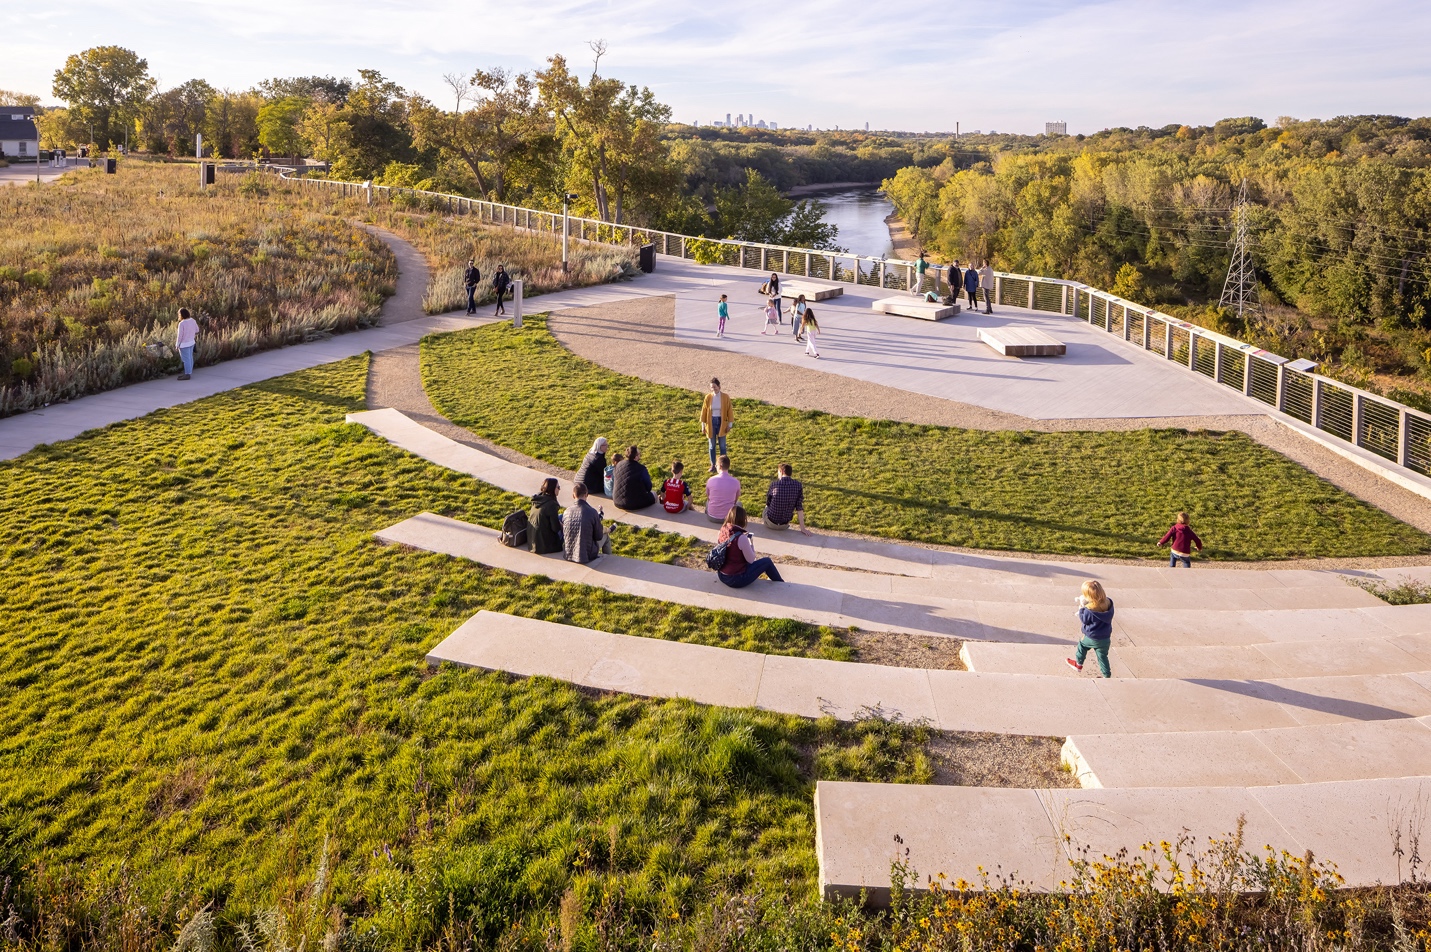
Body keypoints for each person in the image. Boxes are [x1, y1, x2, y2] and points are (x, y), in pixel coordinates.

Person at [714, 505, 784, 588]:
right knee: (767, 562)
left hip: (722, 575)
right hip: (735, 579)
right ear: (743, 520)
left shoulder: (722, 531)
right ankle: (781, 584)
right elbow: (751, 560)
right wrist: (751, 543)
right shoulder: (741, 538)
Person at [1066, 580, 1115, 678]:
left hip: (1092, 637)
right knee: (1102, 656)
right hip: (1105, 638)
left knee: (1082, 646)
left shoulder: (1089, 610)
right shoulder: (1109, 603)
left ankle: (1078, 664)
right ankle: (1106, 675)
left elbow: (1084, 620)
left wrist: (1081, 608)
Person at [563, 483, 612, 564]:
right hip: (587, 555)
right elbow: (599, 536)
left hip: (568, 553)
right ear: (587, 494)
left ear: (573, 495)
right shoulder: (592, 512)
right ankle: (609, 562)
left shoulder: (566, 512)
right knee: (605, 536)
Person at [763, 463, 811, 535]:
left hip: (770, 523)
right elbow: (799, 508)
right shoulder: (798, 485)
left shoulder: (774, 484)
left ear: (782, 471)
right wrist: (803, 529)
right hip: (784, 525)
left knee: (766, 507)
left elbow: (768, 502)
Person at [701, 378, 733, 473]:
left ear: (719, 387)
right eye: (712, 387)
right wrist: (703, 426)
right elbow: (704, 412)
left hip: (721, 422)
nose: (713, 389)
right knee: (712, 445)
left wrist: (730, 424)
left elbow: (729, 411)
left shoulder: (725, 397)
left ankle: (724, 466)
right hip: (710, 422)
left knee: (722, 446)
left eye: (715, 387)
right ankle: (713, 465)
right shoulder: (708, 397)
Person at [612, 445, 658, 511]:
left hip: (617, 500)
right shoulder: (641, 469)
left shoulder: (619, 464)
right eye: (639, 454)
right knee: (654, 494)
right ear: (636, 457)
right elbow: (649, 487)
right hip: (633, 503)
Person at [528, 477, 564, 554]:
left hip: (532, 542)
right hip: (544, 546)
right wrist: (562, 526)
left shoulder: (538, 499)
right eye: (558, 487)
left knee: (560, 516)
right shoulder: (551, 505)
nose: (559, 489)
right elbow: (555, 528)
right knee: (565, 521)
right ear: (552, 489)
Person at [705, 454, 741, 523]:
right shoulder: (736, 482)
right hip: (729, 519)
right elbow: (735, 501)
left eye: (716, 465)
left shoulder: (711, 480)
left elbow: (709, 497)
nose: (716, 467)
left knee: (707, 502)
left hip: (712, 517)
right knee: (739, 504)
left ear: (720, 466)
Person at [175, 307, 199, 380]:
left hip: (184, 344)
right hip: (191, 342)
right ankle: (189, 372)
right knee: (190, 358)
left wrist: (177, 345)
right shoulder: (193, 321)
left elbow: (180, 336)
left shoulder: (182, 324)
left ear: (181, 315)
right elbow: (197, 330)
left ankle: (187, 374)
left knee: (186, 360)